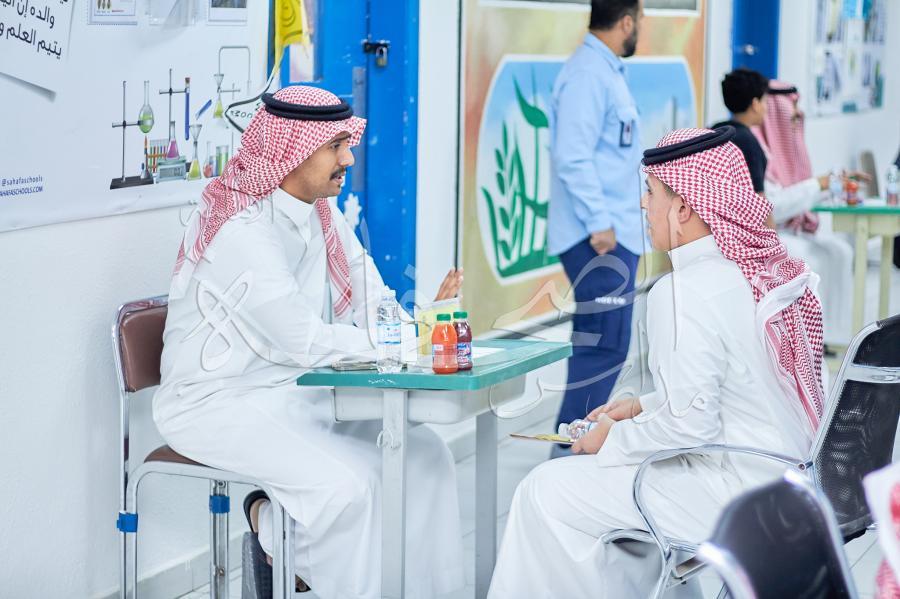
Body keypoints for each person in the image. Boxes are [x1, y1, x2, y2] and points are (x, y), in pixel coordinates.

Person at [153, 86, 465, 599]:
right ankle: (275, 528)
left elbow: (373, 300)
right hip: (215, 403)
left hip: (289, 390)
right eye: (335, 146)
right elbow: (301, 338)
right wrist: (398, 346)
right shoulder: (240, 228)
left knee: (425, 456)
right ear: (291, 151)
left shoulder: (321, 213)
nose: (349, 159)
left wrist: (424, 329)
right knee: (349, 489)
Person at [488, 127, 826, 599]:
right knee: (600, 492)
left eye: (650, 192)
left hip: (736, 494)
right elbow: (739, 390)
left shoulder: (684, 290)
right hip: (790, 484)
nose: (642, 205)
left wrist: (611, 438)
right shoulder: (765, 273)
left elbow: (691, 428)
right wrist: (641, 407)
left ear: (683, 206)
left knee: (543, 488)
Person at [547, 0, 645, 456]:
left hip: (612, 234)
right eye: (639, 20)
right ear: (626, 21)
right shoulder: (588, 74)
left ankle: (576, 454)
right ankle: (565, 459)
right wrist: (600, 223)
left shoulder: (604, 71)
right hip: (598, 238)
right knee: (599, 351)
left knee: (608, 348)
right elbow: (572, 156)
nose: (639, 28)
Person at [754, 81, 855, 346]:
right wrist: (818, 185)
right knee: (809, 259)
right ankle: (802, 342)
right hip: (772, 232)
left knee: (841, 251)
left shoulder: (789, 143)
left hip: (795, 228)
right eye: (792, 105)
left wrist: (831, 185)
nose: (798, 113)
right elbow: (773, 206)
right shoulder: (757, 147)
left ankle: (832, 337)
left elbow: (799, 188)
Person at [711, 68, 770, 195]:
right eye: (765, 101)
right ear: (755, 104)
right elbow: (757, 198)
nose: (767, 108)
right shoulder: (748, 143)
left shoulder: (715, 130)